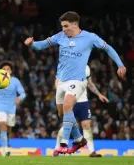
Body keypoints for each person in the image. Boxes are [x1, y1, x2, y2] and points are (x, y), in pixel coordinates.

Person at [24, 11, 126, 155]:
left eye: (66, 26)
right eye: (62, 26)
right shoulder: (60, 36)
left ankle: (63, 144)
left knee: (67, 106)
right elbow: (41, 46)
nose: (64, 29)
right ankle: (79, 139)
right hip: (61, 80)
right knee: (62, 113)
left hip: (78, 80)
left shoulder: (90, 38)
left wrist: (120, 65)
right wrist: (32, 44)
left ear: (75, 24)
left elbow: (108, 48)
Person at [54, 65, 108, 157]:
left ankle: (91, 151)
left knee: (86, 125)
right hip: (71, 100)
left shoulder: (86, 67)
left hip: (83, 101)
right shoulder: (67, 64)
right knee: (67, 125)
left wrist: (99, 94)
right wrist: (61, 93)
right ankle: (57, 148)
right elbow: (57, 81)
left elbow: (89, 83)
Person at [0, 61, 26, 156]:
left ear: (11, 71)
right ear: (0, 71)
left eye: (8, 69)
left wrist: (20, 98)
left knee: (8, 129)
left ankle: (4, 143)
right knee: (2, 124)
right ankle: (4, 148)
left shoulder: (15, 81)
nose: (6, 70)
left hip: (11, 108)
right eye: (4, 69)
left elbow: (23, 93)